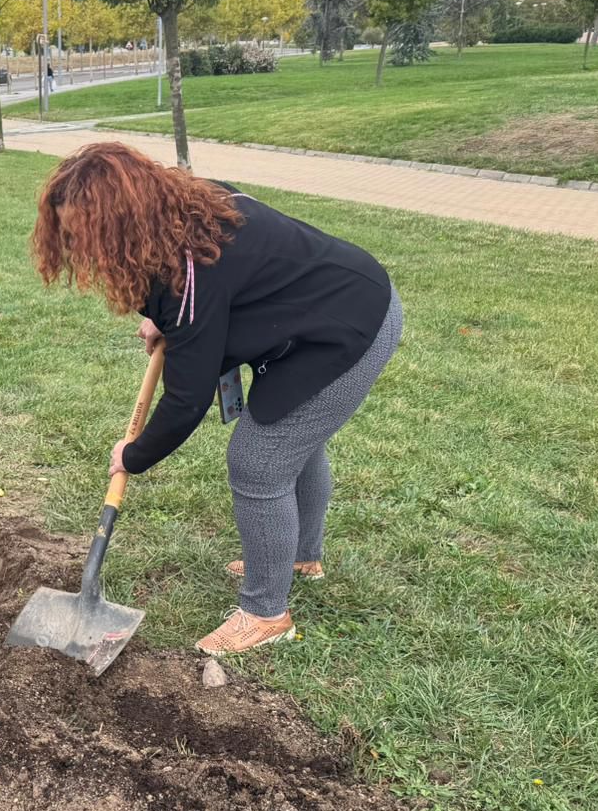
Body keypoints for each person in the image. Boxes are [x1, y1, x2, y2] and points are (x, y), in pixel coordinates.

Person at [33, 142, 402, 654]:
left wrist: (133, 456)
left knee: (259, 461)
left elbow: (187, 398)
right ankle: (299, 556)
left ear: (125, 222)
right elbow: (195, 297)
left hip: (350, 329)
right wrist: (161, 317)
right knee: (294, 444)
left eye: (86, 234)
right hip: (332, 308)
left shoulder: (191, 279)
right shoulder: (184, 209)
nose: (77, 245)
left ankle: (265, 613)